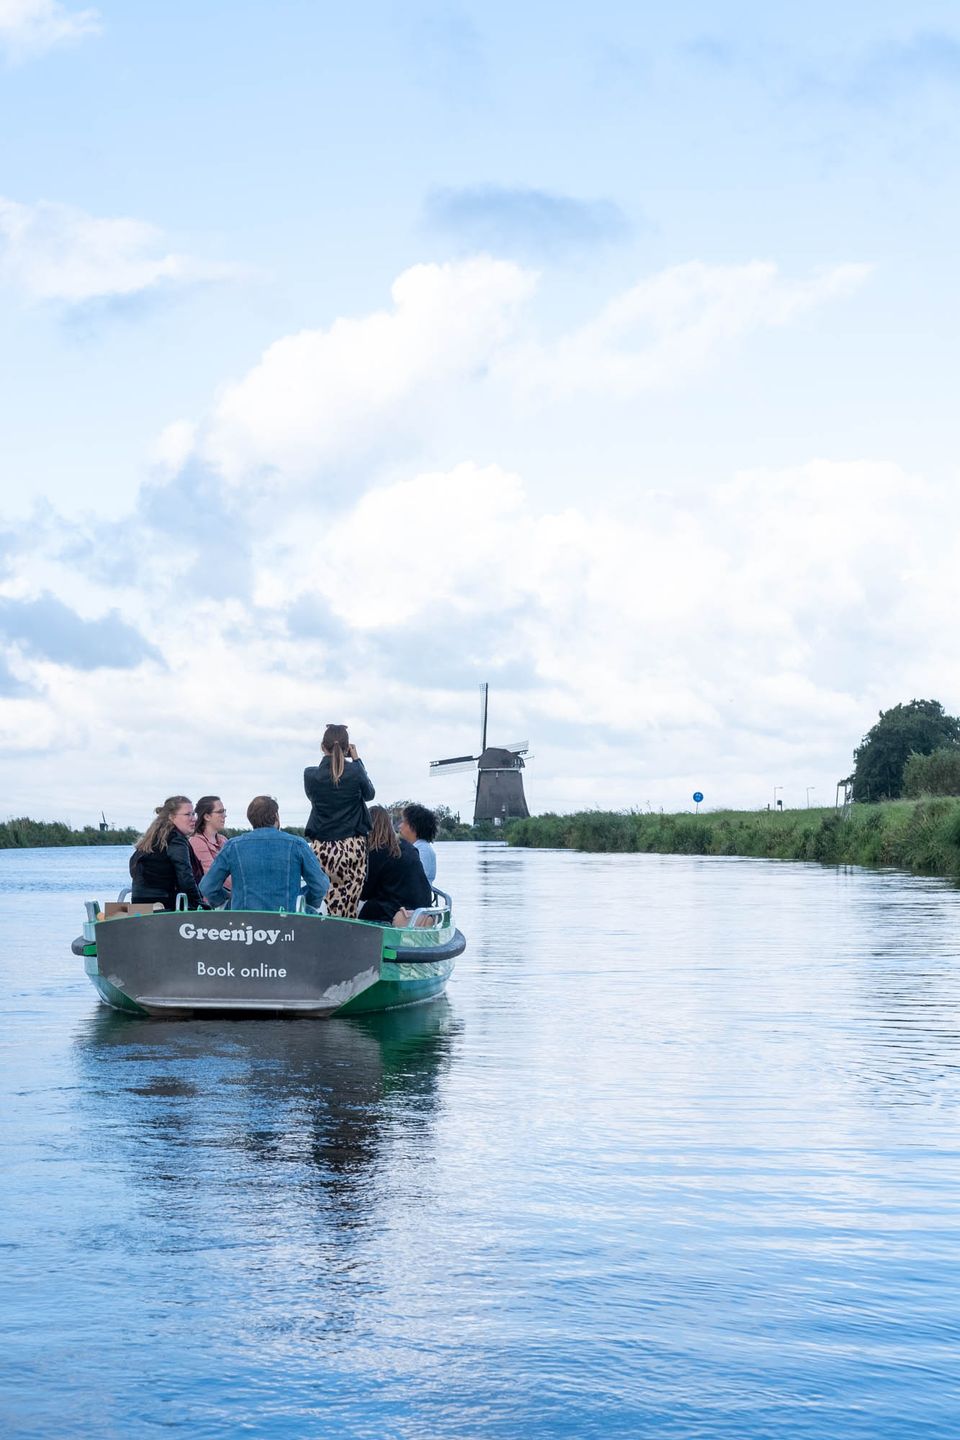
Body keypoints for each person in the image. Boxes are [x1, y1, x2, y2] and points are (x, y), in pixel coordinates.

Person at [201, 795, 329, 912]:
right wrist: (303, 902)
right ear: (276, 816)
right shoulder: (298, 845)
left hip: (245, 926)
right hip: (289, 923)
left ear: (251, 819)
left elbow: (207, 886)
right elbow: (320, 885)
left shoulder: (232, 846)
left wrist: (229, 902)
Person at [303, 724, 375, 917]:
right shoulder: (355, 771)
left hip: (322, 847)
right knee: (348, 903)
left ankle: (321, 936)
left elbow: (313, 798)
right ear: (347, 748)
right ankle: (346, 936)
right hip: (352, 847)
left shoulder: (310, 775)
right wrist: (357, 760)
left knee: (324, 900)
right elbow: (370, 794)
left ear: (322, 746)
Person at [358, 805, 432, 925]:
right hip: (423, 911)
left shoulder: (377, 851)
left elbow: (365, 892)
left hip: (397, 913)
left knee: (366, 908)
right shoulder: (409, 847)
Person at [130, 796, 205, 910]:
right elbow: (185, 875)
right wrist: (199, 903)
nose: (193, 819)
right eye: (187, 814)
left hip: (138, 903)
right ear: (171, 817)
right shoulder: (176, 838)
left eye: (193, 814)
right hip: (163, 904)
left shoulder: (152, 839)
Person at [189, 795, 230, 884]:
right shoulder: (196, 842)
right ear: (207, 817)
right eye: (220, 812)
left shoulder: (224, 840)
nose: (224, 815)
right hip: (210, 897)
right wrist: (245, 884)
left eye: (224, 811)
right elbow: (214, 875)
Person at [399, 802, 438, 885]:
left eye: (404, 822)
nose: (400, 826)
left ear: (413, 826)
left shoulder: (423, 850)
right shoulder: (417, 847)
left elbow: (416, 880)